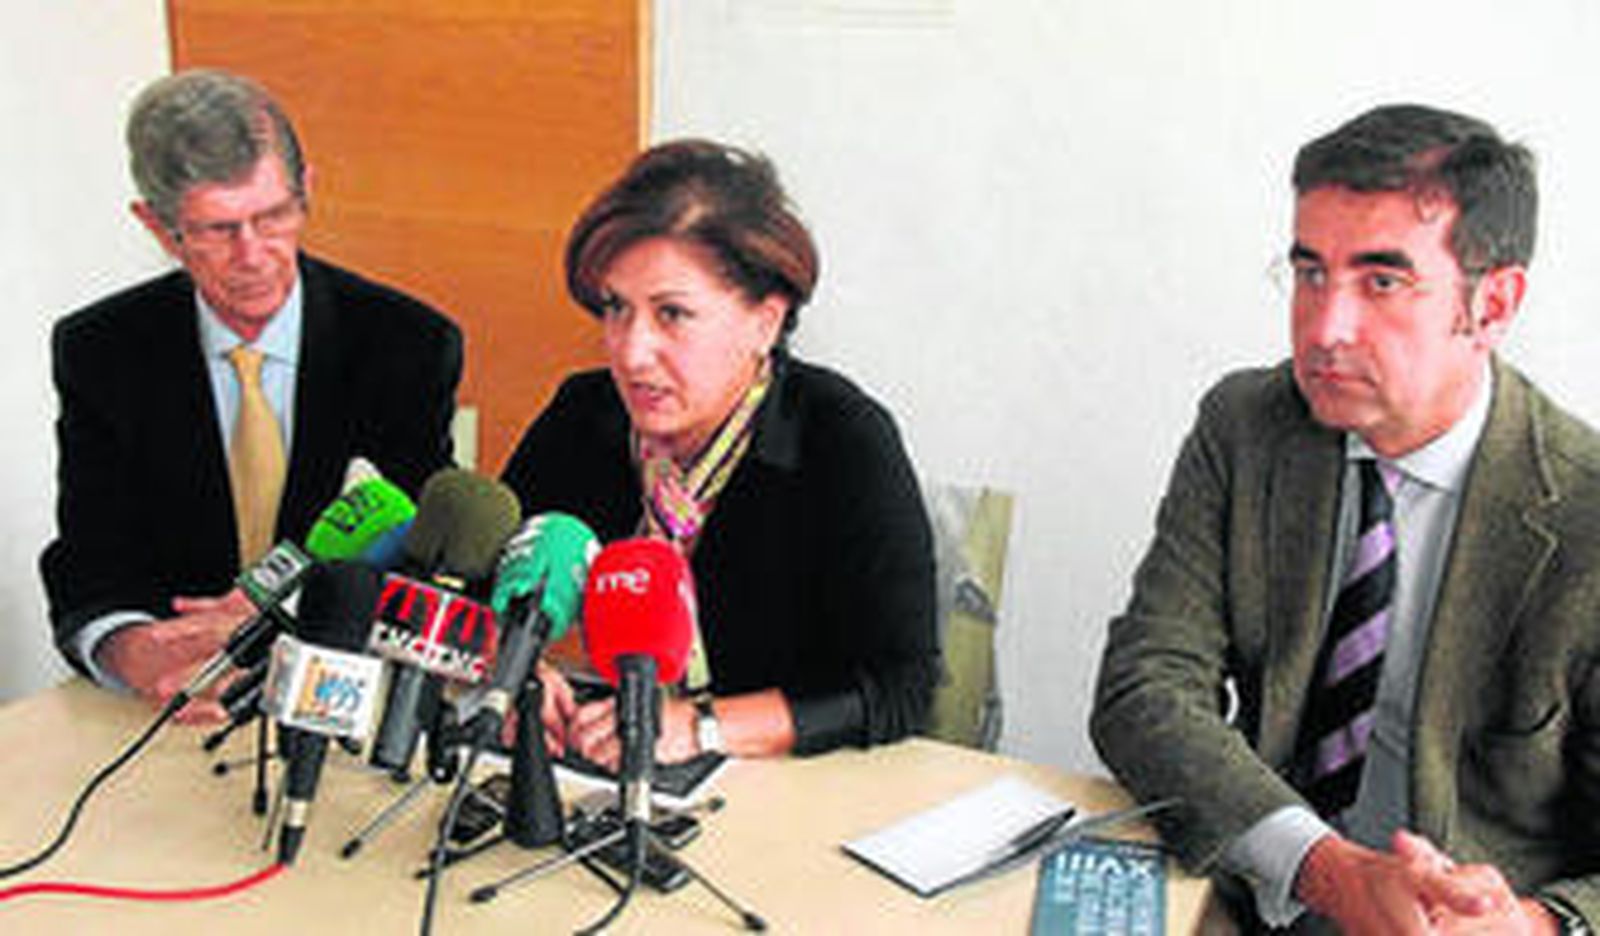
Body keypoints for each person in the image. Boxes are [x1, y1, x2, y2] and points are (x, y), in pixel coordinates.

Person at [1091, 103, 1600, 934]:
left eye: (1382, 282)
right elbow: (1147, 686)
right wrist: (1330, 872)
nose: (1326, 328)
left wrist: (1541, 925)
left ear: (1494, 304)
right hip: (1263, 890)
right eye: (1310, 274)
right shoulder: (1246, 427)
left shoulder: (1585, 514)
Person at [40, 69, 462, 721]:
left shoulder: (406, 343)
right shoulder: (101, 350)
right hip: (176, 702)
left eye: (273, 217)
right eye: (217, 229)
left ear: (308, 190)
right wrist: (131, 649)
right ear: (156, 226)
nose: (253, 255)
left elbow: (427, 558)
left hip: (341, 694)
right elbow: (91, 555)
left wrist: (290, 613)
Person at [502, 139, 938, 765]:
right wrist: (515, 666)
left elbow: (901, 687)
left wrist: (700, 728)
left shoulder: (843, 439)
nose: (631, 352)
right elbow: (483, 582)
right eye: (616, 308)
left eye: (672, 314)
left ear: (765, 323)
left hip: (789, 787)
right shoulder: (585, 414)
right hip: (604, 774)